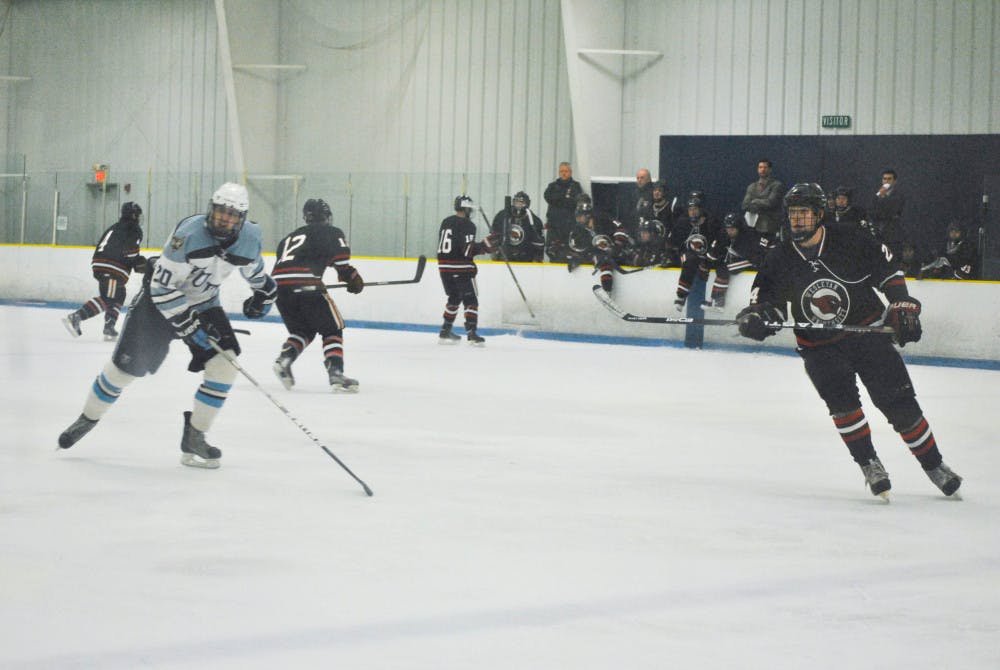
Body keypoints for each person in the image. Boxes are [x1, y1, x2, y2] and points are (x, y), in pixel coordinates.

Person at [735, 183, 962, 499]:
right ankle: (869, 463)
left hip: (866, 334)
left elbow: (888, 273)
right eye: (792, 214)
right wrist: (758, 319)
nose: (797, 220)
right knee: (844, 408)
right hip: (818, 346)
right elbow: (766, 302)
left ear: (819, 215)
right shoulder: (779, 257)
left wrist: (901, 304)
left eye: (803, 213)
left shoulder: (852, 239)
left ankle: (934, 465)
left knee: (900, 405)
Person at [57, 182, 277, 469]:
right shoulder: (188, 234)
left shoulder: (250, 237)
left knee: (225, 363)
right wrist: (191, 329)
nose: (225, 218)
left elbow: (256, 271)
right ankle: (88, 418)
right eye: (221, 211)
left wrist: (265, 294)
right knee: (123, 372)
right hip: (155, 306)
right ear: (211, 209)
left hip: (204, 303)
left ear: (242, 218)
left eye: (233, 214)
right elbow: (162, 288)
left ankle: (195, 435)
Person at [271, 198, 365, 393]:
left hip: (280, 290)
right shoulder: (331, 232)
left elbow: (297, 262)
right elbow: (341, 262)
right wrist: (352, 278)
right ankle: (336, 372)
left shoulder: (288, 238)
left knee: (304, 330)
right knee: (333, 328)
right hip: (306, 286)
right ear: (326, 216)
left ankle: (285, 359)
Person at [61, 202, 147, 341]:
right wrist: (140, 262)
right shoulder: (134, 228)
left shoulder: (115, 227)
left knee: (119, 294)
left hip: (101, 263)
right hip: (112, 266)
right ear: (134, 215)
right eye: (138, 215)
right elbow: (130, 252)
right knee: (109, 298)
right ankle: (77, 316)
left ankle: (109, 326)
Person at [436, 195, 496, 345]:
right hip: (459, 267)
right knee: (471, 301)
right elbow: (467, 250)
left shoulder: (446, 221)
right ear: (465, 208)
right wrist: (485, 246)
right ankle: (472, 333)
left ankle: (445, 330)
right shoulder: (468, 225)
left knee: (454, 297)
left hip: (444, 269)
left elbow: (455, 244)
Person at [700, 212, 773, 310]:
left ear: (739, 228)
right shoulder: (724, 234)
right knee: (721, 266)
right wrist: (705, 264)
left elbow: (762, 251)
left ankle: (718, 301)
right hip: (744, 258)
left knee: (724, 267)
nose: (729, 231)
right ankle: (716, 301)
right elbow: (714, 252)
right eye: (728, 229)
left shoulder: (748, 237)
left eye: (732, 229)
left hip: (753, 261)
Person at [672, 191, 725, 311]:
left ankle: (717, 301)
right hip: (687, 255)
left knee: (722, 267)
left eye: (695, 209)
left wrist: (706, 262)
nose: (692, 212)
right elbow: (673, 243)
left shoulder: (711, 222)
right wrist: (670, 254)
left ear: (701, 209)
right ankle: (681, 297)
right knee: (690, 260)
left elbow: (718, 243)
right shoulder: (683, 222)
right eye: (690, 209)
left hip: (707, 255)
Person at [542, 162, 583, 262]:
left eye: (566, 171)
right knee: (552, 249)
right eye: (561, 171)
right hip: (554, 225)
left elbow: (574, 201)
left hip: (569, 225)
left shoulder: (576, 186)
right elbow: (548, 197)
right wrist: (564, 198)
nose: (564, 173)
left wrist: (559, 200)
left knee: (569, 249)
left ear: (570, 172)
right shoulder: (552, 186)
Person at [490, 191, 544, 262]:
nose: (519, 205)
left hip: (525, 258)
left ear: (527, 204)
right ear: (513, 202)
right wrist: (495, 251)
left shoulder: (534, 220)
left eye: (522, 203)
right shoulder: (502, 215)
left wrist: (537, 258)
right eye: (517, 202)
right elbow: (494, 235)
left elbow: (538, 243)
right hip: (504, 256)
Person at [740, 158, 784, 241]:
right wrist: (761, 205)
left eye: (765, 167)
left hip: (770, 228)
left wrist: (755, 201)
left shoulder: (777, 185)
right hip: (752, 227)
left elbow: (771, 203)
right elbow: (745, 205)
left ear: (770, 170)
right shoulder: (752, 186)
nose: (762, 169)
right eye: (760, 167)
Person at [871, 168, 906, 259]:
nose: (886, 181)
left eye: (889, 179)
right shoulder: (876, 196)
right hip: (878, 233)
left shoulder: (899, 195)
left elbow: (892, 212)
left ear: (894, 181)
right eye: (884, 179)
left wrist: (882, 197)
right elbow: (871, 212)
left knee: (893, 258)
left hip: (892, 235)